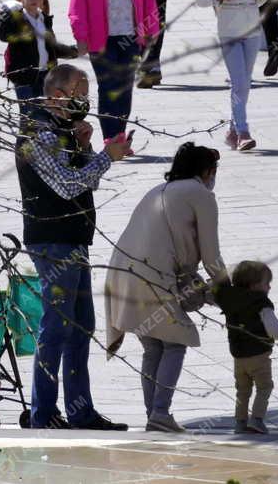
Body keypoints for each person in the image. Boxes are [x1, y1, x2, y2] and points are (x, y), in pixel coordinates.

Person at [15, 63, 132, 430]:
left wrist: (84, 148)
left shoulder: (61, 130)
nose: (86, 98)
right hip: (54, 241)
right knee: (57, 327)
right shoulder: (40, 133)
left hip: (74, 238)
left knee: (81, 325)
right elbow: (66, 187)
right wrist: (104, 159)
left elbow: (83, 183)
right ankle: (44, 413)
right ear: (58, 94)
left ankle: (81, 411)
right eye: (80, 91)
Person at [104, 143, 227, 433]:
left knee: (152, 345)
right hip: (153, 275)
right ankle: (159, 412)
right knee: (175, 341)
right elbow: (212, 257)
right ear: (207, 171)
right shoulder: (201, 195)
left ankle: (154, 414)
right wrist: (228, 292)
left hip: (123, 272)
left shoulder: (159, 190)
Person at [69, 0, 160, 141]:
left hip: (130, 37)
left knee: (125, 88)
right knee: (108, 87)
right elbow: (77, 5)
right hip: (101, 41)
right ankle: (111, 138)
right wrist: (80, 37)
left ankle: (119, 135)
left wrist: (152, 28)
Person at [194, 0, 269, 150]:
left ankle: (232, 130)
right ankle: (244, 131)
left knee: (244, 84)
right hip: (229, 31)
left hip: (252, 30)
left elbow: (260, 1)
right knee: (239, 82)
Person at [213, 260, 278, 434]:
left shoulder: (229, 299)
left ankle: (240, 422)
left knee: (242, 390)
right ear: (254, 285)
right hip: (259, 355)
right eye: (266, 283)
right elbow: (272, 326)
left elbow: (214, 294)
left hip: (238, 356)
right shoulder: (261, 302)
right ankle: (256, 419)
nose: (269, 287)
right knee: (264, 387)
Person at [0, 0, 77, 113]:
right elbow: (4, 36)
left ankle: (41, 133)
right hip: (24, 76)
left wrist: (74, 51)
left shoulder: (44, 19)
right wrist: (5, 18)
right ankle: (28, 134)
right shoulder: (17, 19)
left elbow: (52, 48)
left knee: (46, 114)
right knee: (29, 115)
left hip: (46, 76)